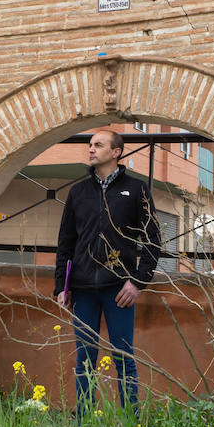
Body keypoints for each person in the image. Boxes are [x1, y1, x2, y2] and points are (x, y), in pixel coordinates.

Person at [54, 129, 161, 412]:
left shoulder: (137, 190)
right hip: (83, 290)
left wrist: (138, 281)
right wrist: (60, 287)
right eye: (90, 145)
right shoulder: (78, 192)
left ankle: (131, 425)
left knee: (124, 357)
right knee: (85, 360)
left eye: (98, 145)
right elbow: (65, 242)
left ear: (116, 152)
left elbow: (153, 240)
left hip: (119, 291)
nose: (90, 149)